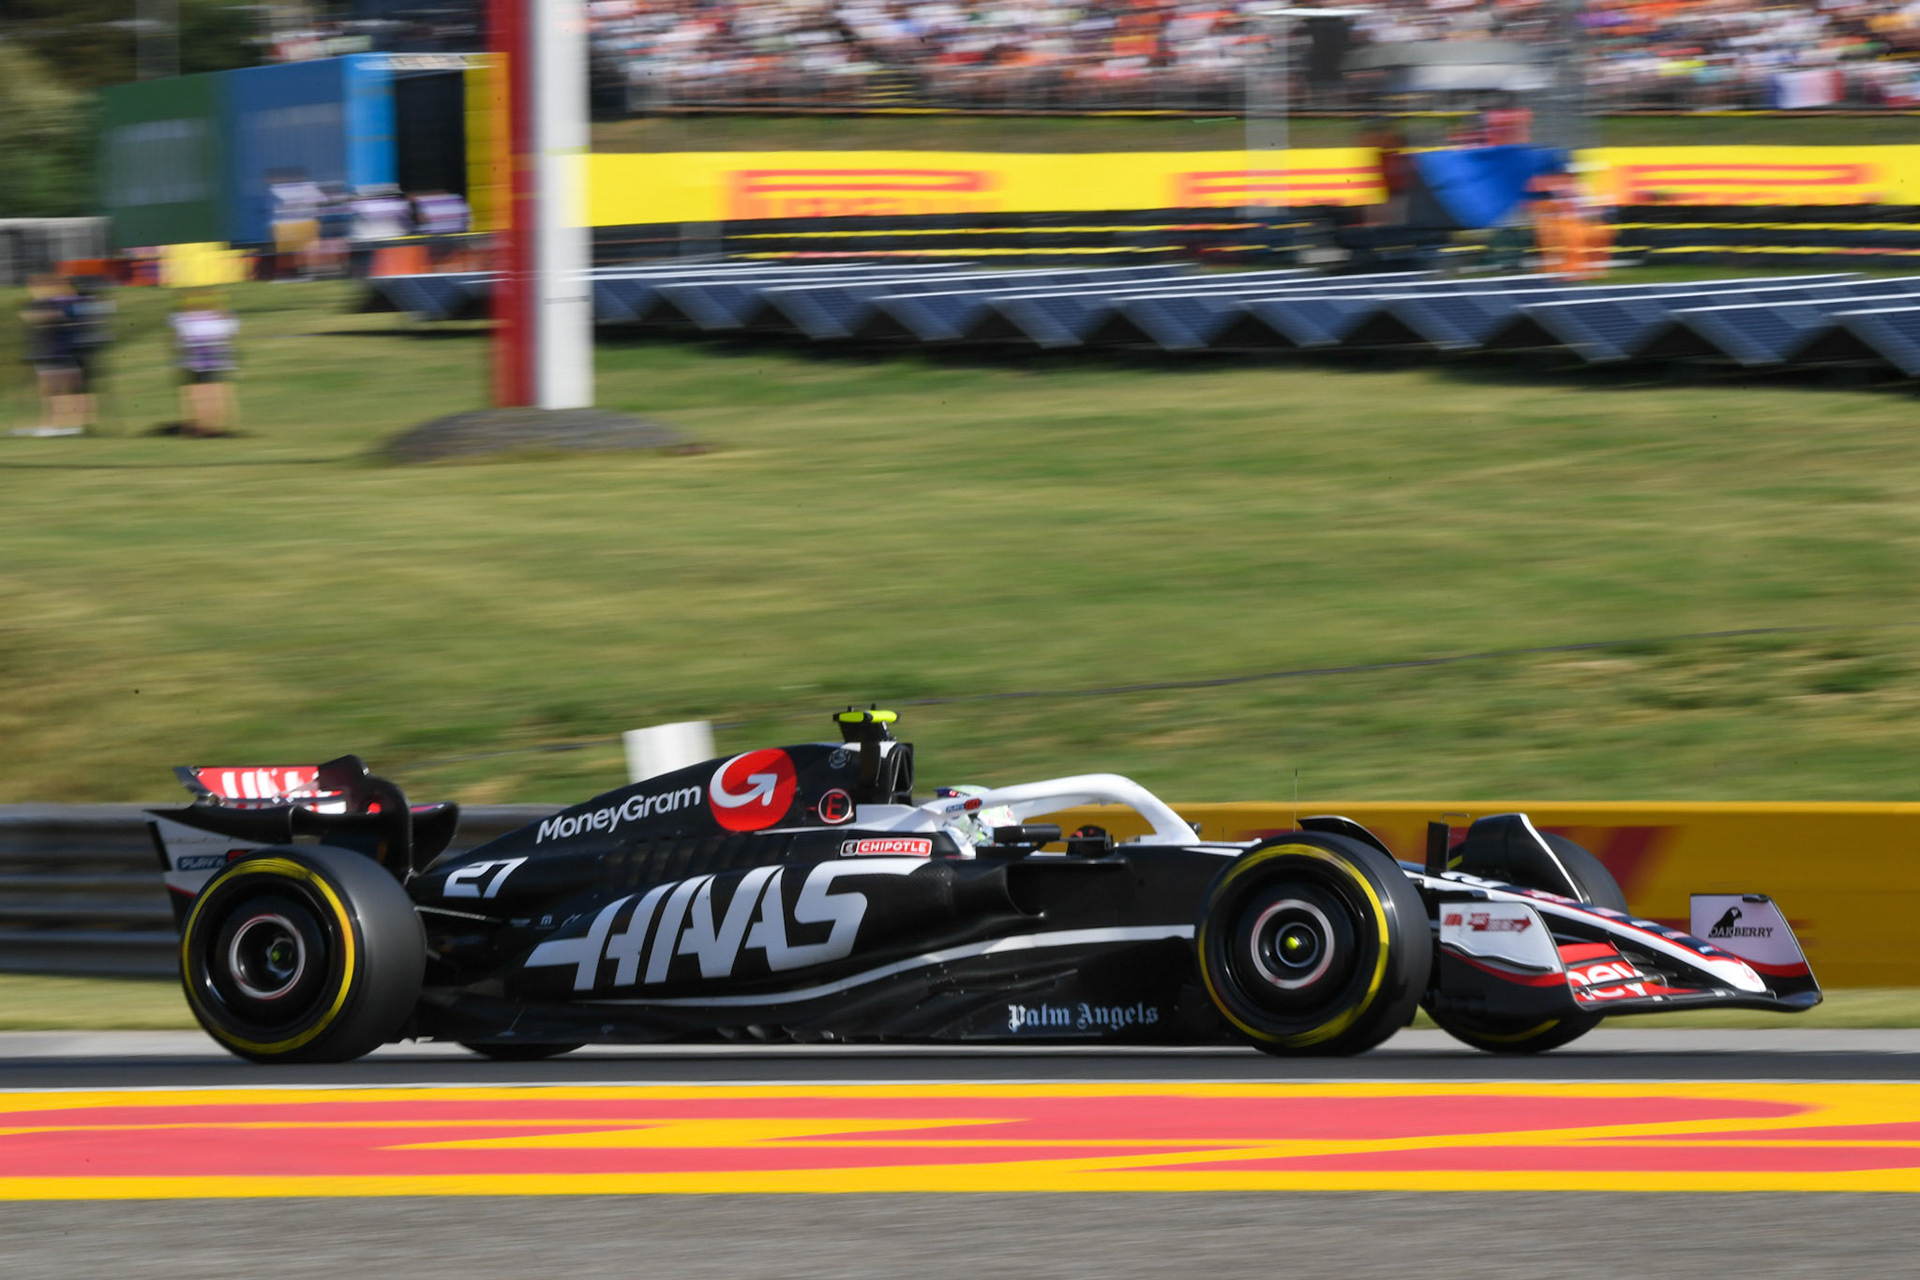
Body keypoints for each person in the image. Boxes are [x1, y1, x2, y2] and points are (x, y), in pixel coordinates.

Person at [15, 275, 85, 437]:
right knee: (51, 392)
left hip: (58, 352)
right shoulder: (41, 303)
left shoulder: (58, 303)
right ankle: (55, 424)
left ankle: (61, 425)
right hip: (46, 353)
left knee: (58, 391)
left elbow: (54, 320)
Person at [169, 293, 239, 437]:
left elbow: (178, 333)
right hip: (213, 358)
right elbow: (232, 330)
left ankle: (202, 426)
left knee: (197, 391)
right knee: (212, 390)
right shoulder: (221, 316)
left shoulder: (183, 317)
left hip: (197, 359)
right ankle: (213, 426)